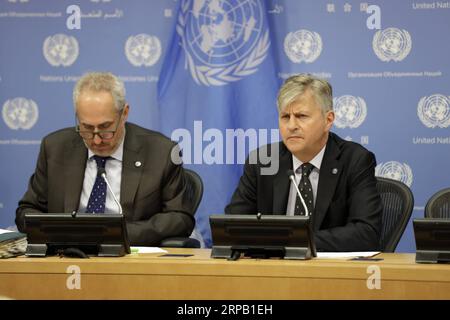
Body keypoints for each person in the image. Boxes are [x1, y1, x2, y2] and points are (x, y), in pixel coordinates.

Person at [16, 72, 195, 246]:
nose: (96, 140)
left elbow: (180, 218)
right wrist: (64, 232)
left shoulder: (161, 152)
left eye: (105, 128)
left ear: (124, 113)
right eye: (86, 128)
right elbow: (26, 212)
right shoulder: (55, 148)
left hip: (128, 259)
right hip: (66, 254)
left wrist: (115, 233)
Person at [225, 74, 382, 251]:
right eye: (285, 117)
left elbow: (367, 233)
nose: (291, 125)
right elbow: (233, 227)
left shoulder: (355, 160)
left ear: (328, 120)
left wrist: (296, 241)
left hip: (329, 273)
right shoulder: (263, 161)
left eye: (301, 116)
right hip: (272, 270)